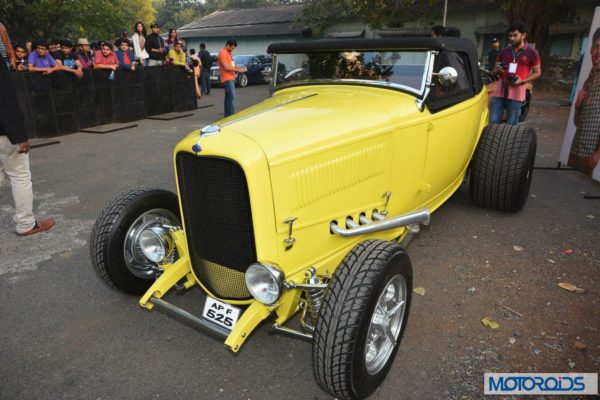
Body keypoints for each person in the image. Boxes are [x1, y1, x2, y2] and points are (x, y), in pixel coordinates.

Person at [0, 23, 55, 236]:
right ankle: (25, 223)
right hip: (5, 132)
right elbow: (5, 98)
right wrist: (19, 135)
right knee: (20, 175)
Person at [490, 21, 541, 125]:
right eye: (510, 36)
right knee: (493, 122)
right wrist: (497, 70)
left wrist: (522, 81)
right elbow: (494, 71)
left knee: (512, 124)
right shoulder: (504, 51)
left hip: (517, 91)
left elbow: (537, 72)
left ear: (523, 35)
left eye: (515, 35)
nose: (512, 38)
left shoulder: (532, 52)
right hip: (500, 89)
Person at [569, 27, 600, 176]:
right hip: (575, 149)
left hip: (589, 154)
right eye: (597, 46)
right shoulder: (589, 79)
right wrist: (577, 106)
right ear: (591, 49)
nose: (598, 52)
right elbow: (577, 122)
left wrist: (597, 155)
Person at [218, 38, 246, 117]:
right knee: (232, 97)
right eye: (232, 48)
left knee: (229, 98)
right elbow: (226, 67)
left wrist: (240, 69)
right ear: (228, 45)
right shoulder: (223, 53)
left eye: (234, 48)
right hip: (227, 78)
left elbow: (233, 65)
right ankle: (231, 115)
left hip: (231, 78)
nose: (233, 49)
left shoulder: (229, 53)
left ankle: (228, 115)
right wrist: (238, 71)